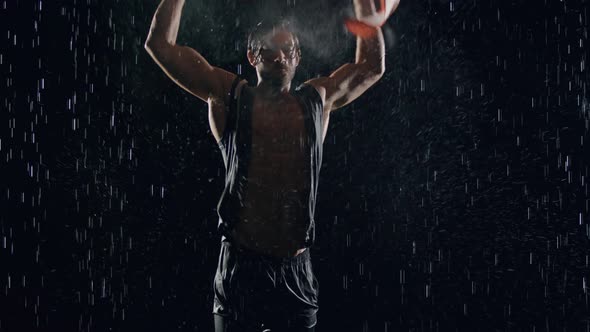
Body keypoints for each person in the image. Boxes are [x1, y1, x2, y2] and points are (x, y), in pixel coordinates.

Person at [145, 0, 385, 330]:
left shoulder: (317, 100)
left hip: (295, 269)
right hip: (241, 266)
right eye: (270, 49)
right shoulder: (228, 95)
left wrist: (368, 15)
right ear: (252, 56)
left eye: (288, 49)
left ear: (298, 57)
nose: (280, 56)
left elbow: (371, 66)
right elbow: (159, 45)